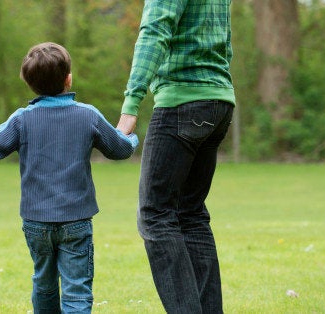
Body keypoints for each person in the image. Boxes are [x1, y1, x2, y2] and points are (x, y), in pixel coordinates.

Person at [0, 42, 138, 313]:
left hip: (37, 222)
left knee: (44, 285)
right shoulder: (88, 115)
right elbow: (119, 150)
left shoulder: (22, 120)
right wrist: (130, 137)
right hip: (76, 220)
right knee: (77, 291)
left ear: (29, 84)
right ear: (68, 78)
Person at [116, 1, 235, 313]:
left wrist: (131, 104)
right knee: (190, 214)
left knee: (155, 215)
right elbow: (225, 37)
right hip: (219, 100)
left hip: (182, 101)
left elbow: (154, 31)